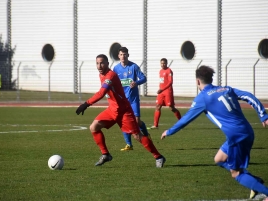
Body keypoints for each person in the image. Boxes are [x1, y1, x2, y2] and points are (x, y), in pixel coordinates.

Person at [161, 65, 268, 199]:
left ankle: (262, 189)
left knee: (235, 173)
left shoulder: (203, 98)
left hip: (237, 136)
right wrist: (263, 116)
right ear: (211, 79)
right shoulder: (226, 89)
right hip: (246, 131)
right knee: (219, 159)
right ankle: (254, 182)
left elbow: (186, 120)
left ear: (198, 81)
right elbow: (249, 96)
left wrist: (169, 131)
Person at [76, 54, 166, 168]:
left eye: (102, 63)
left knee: (137, 136)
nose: (99, 66)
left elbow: (102, 93)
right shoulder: (101, 75)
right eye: (97, 63)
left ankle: (158, 157)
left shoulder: (111, 75)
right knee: (94, 127)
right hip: (112, 110)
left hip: (124, 111)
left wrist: (86, 104)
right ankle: (105, 154)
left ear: (108, 64)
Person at [113, 47, 151, 151]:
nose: (123, 56)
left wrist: (136, 82)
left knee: (137, 122)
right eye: (121, 54)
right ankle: (129, 145)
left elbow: (144, 78)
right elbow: (113, 82)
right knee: (124, 122)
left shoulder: (134, 67)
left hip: (133, 99)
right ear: (118, 56)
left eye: (125, 54)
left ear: (128, 55)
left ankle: (146, 135)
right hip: (122, 100)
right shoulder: (116, 69)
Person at [150, 58, 181, 129]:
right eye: (161, 63)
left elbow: (170, 82)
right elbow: (162, 81)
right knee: (158, 106)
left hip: (167, 92)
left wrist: (162, 89)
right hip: (161, 93)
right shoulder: (160, 71)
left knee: (171, 108)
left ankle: (181, 122)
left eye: (164, 63)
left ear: (166, 63)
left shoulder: (169, 71)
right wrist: (160, 89)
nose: (162, 64)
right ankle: (155, 125)